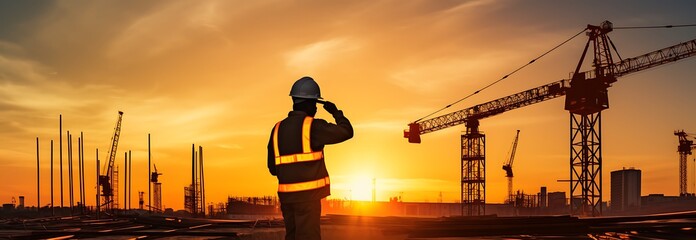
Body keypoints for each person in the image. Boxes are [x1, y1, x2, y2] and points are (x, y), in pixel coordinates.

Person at [267, 76, 353, 240]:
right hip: (307, 200)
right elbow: (347, 131)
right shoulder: (313, 126)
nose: (315, 108)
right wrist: (336, 113)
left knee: (291, 237)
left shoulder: (277, 129)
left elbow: (272, 168)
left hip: (286, 200)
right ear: (308, 103)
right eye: (314, 104)